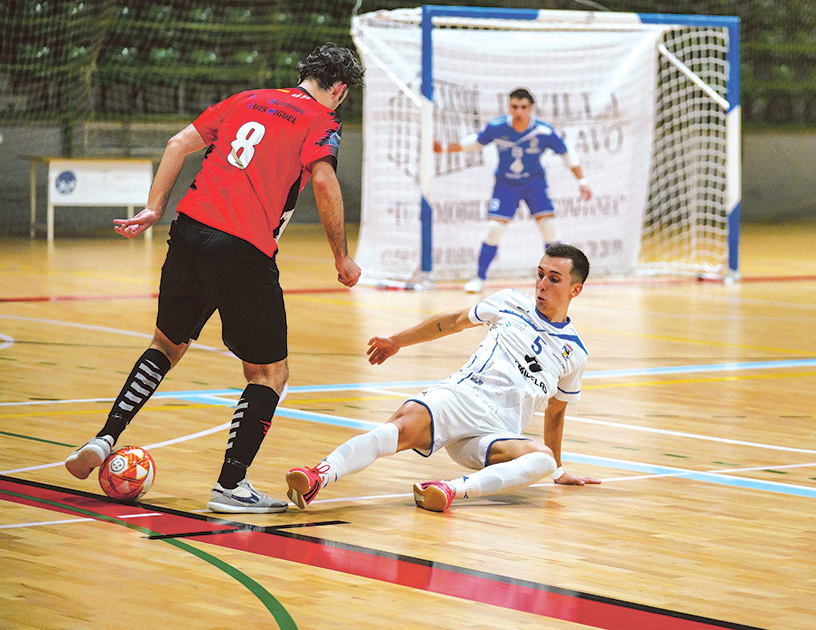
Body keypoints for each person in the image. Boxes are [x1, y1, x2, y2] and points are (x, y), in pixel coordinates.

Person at [65, 43, 365, 514]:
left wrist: (153, 208)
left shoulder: (247, 98)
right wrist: (341, 257)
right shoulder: (321, 121)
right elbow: (324, 181)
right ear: (341, 90)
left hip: (188, 230)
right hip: (242, 247)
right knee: (268, 373)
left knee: (166, 345)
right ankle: (231, 485)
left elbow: (177, 144)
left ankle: (105, 438)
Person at [286, 244, 600, 512]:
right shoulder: (510, 303)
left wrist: (558, 470)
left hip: (497, 434)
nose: (542, 284)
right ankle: (319, 475)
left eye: (554, 279)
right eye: (540, 274)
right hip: (461, 398)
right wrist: (397, 340)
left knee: (542, 461)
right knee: (397, 429)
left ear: (575, 289)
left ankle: (448, 490)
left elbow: (556, 414)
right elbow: (450, 322)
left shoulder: (575, 352)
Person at [434, 88, 592, 293]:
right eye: (514, 106)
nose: (519, 111)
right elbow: (476, 142)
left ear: (531, 108)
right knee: (494, 229)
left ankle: (557, 279)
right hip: (506, 185)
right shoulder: (497, 127)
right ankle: (479, 278)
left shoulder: (542, 131)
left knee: (550, 228)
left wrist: (582, 181)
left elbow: (566, 152)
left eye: (523, 107)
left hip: (534, 184)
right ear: (509, 107)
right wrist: (444, 148)